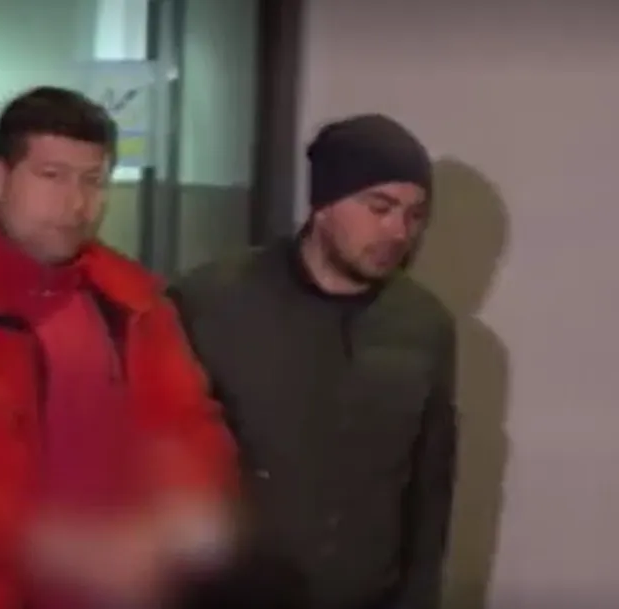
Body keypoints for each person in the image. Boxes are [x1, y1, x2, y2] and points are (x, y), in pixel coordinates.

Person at [0, 86, 237, 609]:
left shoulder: (133, 299)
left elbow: (185, 423)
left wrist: (187, 507)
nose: (75, 203)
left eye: (93, 180)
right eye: (51, 176)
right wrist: (53, 547)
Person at [169, 114, 457, 609]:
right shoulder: (212, 303)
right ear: (323, 204)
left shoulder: (424, 325)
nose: (398, 231)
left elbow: (430, 494)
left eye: (414, 214)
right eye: (379, 207)